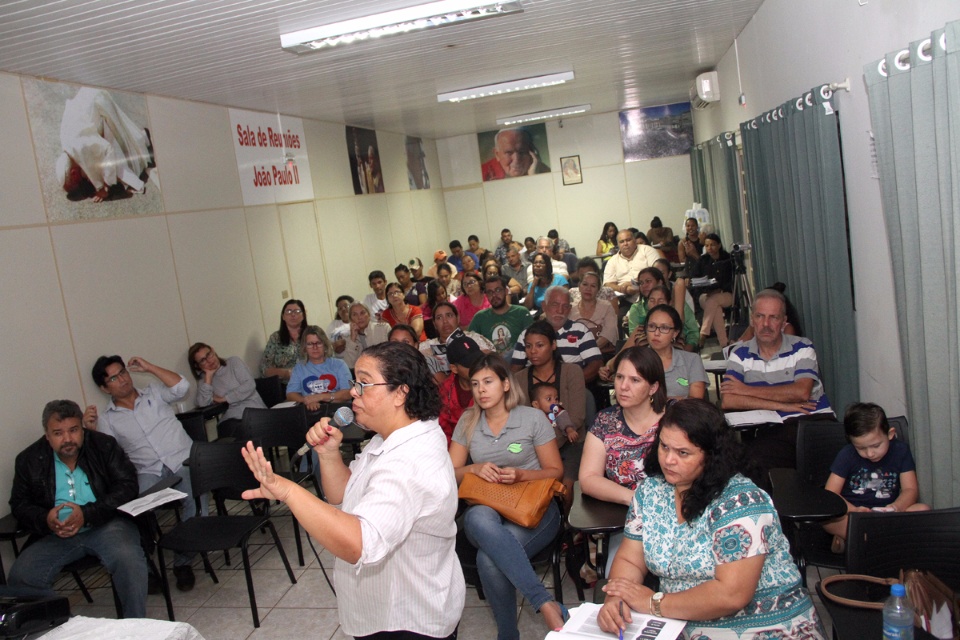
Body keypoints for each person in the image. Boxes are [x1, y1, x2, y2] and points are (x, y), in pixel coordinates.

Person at [240, 342, 465, 638]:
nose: (354, 392)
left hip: (407, 618)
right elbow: (346, 497)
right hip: (385, 605)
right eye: (354, 382)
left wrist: (290, 492)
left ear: (401, 392)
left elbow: (360, 543)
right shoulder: (389, 437)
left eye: (364, 383)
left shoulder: (410, 460)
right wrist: (330, 454)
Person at [597, 399, 826, 640]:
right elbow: (630, 559)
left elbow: (731, 595)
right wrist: (617, 597)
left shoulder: (741, 500)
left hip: (767, 627)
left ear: (711, 456)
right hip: (681, 623)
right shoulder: (651, 491)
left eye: (683, 452)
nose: (668, 460)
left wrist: (652, 603)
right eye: (664, 447)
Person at [449, 355, 567, 637]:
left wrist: (521, 474)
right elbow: (450, 473)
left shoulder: (532, 418)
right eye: (475, 384)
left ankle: (508, 633)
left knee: (488, 560)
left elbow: (556, 472)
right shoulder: (468, 420)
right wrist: (475, 468)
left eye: (488, 382)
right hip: (489, 507)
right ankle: (546, 603)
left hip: (534, 509)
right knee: (476, 515)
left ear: (504, 384)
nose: (481, 390)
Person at [8, 400, 147, 617]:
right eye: (58, 433)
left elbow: (127, 486)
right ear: (47, 435)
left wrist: (87, 514)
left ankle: (135, 626)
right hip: (56, 534)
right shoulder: (28, 460)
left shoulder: (104, 445)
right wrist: (46, 518)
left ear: (82, 428)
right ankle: (61, 627)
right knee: (22, 574)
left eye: (73, 430)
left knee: (128, 559)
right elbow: (19, 504)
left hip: (106, 524)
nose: (67, 439)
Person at [85, 355, 199, 591]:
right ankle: (146, 568)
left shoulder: (154, 392)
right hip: (149, 472)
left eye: (123, 372)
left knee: (197, 496)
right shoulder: (108, 419)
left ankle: (183, 562)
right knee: (132, 512)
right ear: (104, 388)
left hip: (182, 461)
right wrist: (90, 431)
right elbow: (106, 456)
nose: (123, 379)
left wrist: (149, 366)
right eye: (114, 378)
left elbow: (182, 387)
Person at [721, 289, 833, 486]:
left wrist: (745, 390)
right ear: (752, 319)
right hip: (772, 429)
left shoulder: (803, 347)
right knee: (755, 470)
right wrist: (784, 405)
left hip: (815, 422)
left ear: (784, 322)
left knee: (828, 475)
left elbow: (801, 392)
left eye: (773, 317)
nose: (765, 324)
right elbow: (729, 400)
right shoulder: (739, 353)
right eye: (760, 316)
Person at [822, 402, 929, 552]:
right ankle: (882, 541)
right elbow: (830, 494)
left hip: (887, 515)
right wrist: (855, 510)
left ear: (890, 434)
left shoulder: (900, 451)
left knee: (922, 509)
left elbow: (910, 489)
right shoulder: (847, 455)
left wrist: (896, 507)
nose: (870, 453)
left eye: (876, 446)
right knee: (828, 521)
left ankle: (857, 540)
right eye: (861, 448)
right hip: (855, 515)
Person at [513, 322, 586, 496]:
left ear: (553, 345)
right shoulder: (519, 378)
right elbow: (519, 420)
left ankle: (566, 523)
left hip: (570, 442)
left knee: (566, 489)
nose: (533, 351)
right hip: (533, 446)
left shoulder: (572, 372)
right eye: (528, 346)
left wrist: (546, 442)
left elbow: (576, 418)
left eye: (540, 345)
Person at [56, 88, 154, 203]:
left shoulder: (80, 146)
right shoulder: (69, 147)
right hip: (90, 101)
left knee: (120, 146)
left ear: (74, 173)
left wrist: (106, 185)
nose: (80, 183)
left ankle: (144, 145)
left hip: (98, 102)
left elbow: (108, 150)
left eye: (77, 183)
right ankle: (143, 139)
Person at [512, 286, 603, 384]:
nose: (560, 311)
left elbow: (596, 364)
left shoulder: (581, 331)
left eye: (565, 306)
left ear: (570, 309)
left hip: (571, 388)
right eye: (555, 304)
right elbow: (515, 369)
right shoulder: (528, 333)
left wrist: (569, 383)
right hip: (535, 391)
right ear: (544, 306)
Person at [188, 342, 266, 438]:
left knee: (242, 432)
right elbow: (203, 404)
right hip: (231, 417)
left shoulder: (233, 362)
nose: (209, 360)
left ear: (213, 350)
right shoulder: (205, 381)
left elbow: (249, 385)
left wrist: (225, 398)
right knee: (226, 431)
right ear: (198, 366)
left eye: (208, 354)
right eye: (203, 360)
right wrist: (208, 379)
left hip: (253, 410)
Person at [420, 301, 494, 383]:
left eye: (449, 315)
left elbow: (494, 358)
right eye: (439, 318)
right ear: (434, 324)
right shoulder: (425, 347)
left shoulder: (475, 339)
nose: (445, 321)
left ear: (458, 318)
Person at [643, 305, 707, 399]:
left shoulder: (691, 360)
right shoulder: (634, 360)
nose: (656, 333)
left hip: (684, 413)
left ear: (675, 333)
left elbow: (696, 401)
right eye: (652, 326)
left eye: (664, 328)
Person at [286, 326, 353, 412]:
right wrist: (307, 401)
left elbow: (348, 394)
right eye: (310, 344)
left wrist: (320, 397)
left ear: (325, 345)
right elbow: (290, 394)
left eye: (318, 343)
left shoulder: (339, 364)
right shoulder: (299, 368)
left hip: (336, 410)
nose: (315, 347)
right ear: (304, 347)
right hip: (310, 412)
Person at [469, 275, 534, 355]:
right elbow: (469, 344)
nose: (494, 295)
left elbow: (532, 341)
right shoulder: (480, 317)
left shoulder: (521, 313)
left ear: (506, 291)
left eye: (498, 290)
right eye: (490, 292)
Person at [438, 334, 483, 445]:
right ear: (454, 368)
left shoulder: (491, 385)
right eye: (469, 364)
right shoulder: (444, 391)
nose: (476, 366)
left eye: (478, 360)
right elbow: (443, 430)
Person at [692, 233, 735, 348]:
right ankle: (724, 344)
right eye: (707, 245)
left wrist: (719, 289)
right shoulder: (702, 260)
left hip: (725, 294)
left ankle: (703, 333)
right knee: (714, 306)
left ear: (719, 245)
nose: (709, 248)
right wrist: (707, 290)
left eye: (712, 245)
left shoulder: (728, 259)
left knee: (714, 301)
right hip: (705, 294)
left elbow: (731, 280)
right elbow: (695, 280)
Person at [603, 230, 663, 303]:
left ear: (634, 240)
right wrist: (623, 289)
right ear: (617, 244)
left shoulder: (647, 250)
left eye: (628, 240)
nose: (625, 244)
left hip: (650, 296)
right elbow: (608, 284)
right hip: (625, 300)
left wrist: (630, 283)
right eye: (622, 242)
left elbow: (656, 272)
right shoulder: (612, 261)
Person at [568, 271, 618, 356]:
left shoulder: (606, 307)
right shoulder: (570, 308)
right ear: (579, 287)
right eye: (585, 284)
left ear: (598, 290)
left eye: (593, 286)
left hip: (602, 354)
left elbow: (609, 333)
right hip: (575, 354)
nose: (588, 289)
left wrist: (589, 349)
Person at [259, 298, 307, 382]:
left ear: (303, 315)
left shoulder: (313, 333)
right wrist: (285, 373)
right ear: (283, 316)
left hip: (312, 379)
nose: (293, 315)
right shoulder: (275, 338)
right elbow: (264, 367)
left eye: (297, 311)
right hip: (286, 385)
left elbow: (328, 355)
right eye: (288, 311)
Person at [481, 128, 551, 180]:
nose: (516, 160)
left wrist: (534, 176)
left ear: (532, 151)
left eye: (522, 152)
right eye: (509, 153)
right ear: (497, 154)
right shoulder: (482, 174)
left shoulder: (541, 170)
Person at [340, 301, 391, 369]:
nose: (359, 317)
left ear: (369, 315)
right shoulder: (347, 337)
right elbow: (349, 365)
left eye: (362, 313)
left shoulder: (383, 329)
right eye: (355, 315)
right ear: (351, 319)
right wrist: (353, 340)